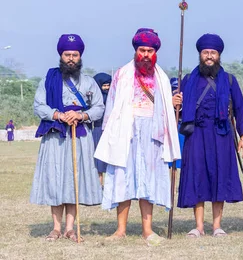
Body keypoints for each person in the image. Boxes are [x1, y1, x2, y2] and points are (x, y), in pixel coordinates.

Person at [94, 28, 180, 246]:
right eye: (142, 50)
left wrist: (173, 104)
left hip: (153, 133)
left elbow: (164, 109)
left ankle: (147, 230)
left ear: (155, 52)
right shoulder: (122, 74)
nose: (146, 55)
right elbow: (111, 104)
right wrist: (109, 134)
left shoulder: (160, 76)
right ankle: (120, 229)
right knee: (122, 178)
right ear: (136, 50)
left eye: (150, 51)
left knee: (148, 181)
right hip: (126, 131)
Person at [30, 34, 104, 242]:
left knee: (75, 180)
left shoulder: (89, 82)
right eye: (67, 54)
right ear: (60, 56)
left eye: (75, 55)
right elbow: (39, 105)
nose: (71, 58)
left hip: (79, 137)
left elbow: (99, 107)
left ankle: (70, 228)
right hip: (55, 135)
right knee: (55, 179)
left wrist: (81, 115)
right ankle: (55, 228)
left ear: (80, 57)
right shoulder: (48, 80)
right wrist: (58, 114)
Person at [174, 34, 243, 238]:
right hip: (195, 135)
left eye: (212, 53)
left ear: (219, 55)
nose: (209, 56)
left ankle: (217, 226)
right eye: (205, 53)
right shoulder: (188, 79)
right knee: (197, 177)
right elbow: (176, 111)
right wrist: (175, 104)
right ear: (200, 54)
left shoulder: (229, 80)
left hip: (221, 134)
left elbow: (240, 109)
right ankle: (198, 227)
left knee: (219, 178)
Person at [92, 72, 111, 184]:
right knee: (98, 162)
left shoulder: (113, 98)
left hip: (110, 132)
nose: (107, 88)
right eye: (104, 86)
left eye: (108, 85)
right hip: (98, 131)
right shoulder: (94, 100)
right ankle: (99, 186)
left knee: (110, 162)